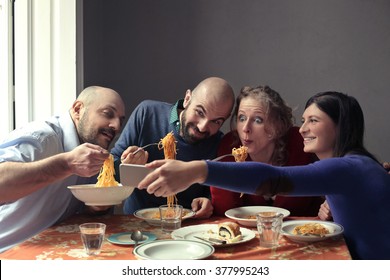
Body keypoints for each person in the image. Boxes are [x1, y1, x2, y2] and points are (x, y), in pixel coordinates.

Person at [138, 91, 390, 260]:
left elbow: (274, 178)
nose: (302, 129)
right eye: (303, 120)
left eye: (313, 120)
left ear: (340, 127)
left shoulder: (347, 168)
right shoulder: (359, 165)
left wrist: (196, 170)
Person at [0, 86, 126, 253]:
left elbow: (78, 211)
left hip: (48, 250)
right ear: (78, 109)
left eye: (120, 120)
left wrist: (94, 207)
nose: (116, 126)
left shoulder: (92, 152)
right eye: (108, 113)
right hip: (7, 252)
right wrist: (66, 164)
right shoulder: (42, 138)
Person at [111, 77, 235, 217]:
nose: (202, 126)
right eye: (200, 112)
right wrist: (126, 164)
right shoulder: (147, 113)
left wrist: (208, 201)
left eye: (216, 122)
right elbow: (110, 168)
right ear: (187, 98)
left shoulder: (219, 142)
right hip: (136, 224)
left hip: (186, 226)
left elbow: (214, 191)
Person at [210, 85, 324, 217]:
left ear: (278, 126)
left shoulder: (300, 142)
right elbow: (223, 210)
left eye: (258, 120)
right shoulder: (230, 145)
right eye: (241, 118)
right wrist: (218, 174)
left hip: (305, 232)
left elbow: (326, 182)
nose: (245, 128)